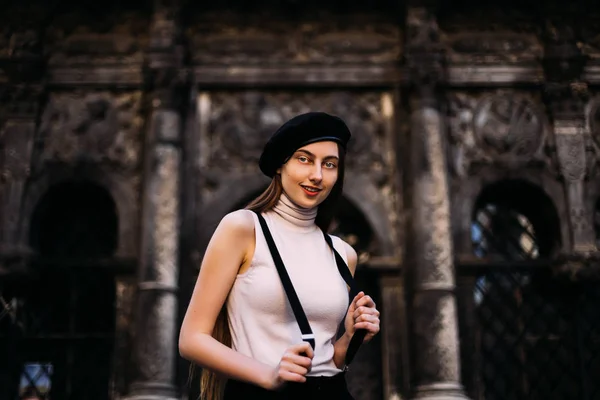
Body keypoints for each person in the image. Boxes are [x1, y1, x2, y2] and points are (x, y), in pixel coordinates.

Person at [179, 112, 381, 400]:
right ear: (279, 165)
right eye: (304, 159)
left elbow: (327, 359)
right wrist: (269, 375)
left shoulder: (342, 253)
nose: (317, 175)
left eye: (330, 164)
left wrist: (350, 337)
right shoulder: (243, 228)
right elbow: (191, 340)